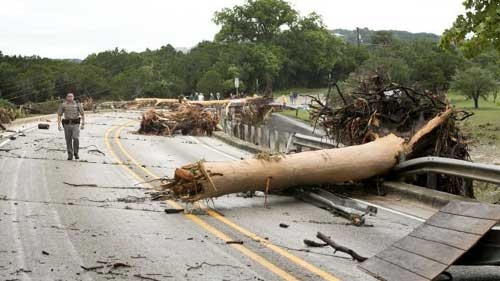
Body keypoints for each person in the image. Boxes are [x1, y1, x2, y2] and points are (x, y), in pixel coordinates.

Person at [58, 93, 85, 160]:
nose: (70, 97)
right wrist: (59, 125)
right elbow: (59, 115)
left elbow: (82, 114)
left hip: (75, 124)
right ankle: (70, 154)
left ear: (73, 97)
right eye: (68, 96)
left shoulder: (77, 104)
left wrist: (83, 123)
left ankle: (76, 152)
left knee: (76, 138)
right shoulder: (63, 105)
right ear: (66, 97)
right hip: (67, 124)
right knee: (68, 140)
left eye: (71, 96)